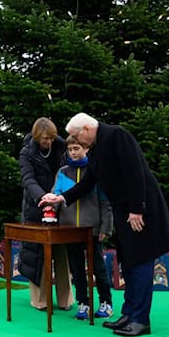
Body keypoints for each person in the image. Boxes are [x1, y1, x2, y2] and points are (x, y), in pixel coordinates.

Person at [42, 113, 169, 337]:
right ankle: (129, 313)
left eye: (75, 136)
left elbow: (135, 172)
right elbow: (87, 183)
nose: (74, 141)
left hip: (140, 212)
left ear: (86, 129)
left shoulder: (117, 135)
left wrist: (136, 209)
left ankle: (140, 320)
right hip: (126, 213)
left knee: (140, 262)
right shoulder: (96, 148)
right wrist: (61, 198)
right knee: (128, 261)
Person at [55, 135, 114, 320]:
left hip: (92, 229)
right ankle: (83, 303)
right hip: (69, 230)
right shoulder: (63, 172)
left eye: (77, 149)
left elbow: (105, 202)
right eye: (70, 149)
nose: (73, 153)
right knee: (77, 268)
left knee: (98, 267)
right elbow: (56, 194)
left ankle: (106, 302)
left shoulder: (95, 171)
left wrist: (106, 226)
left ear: (86, 149)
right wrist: (50, 207)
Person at [18, 117, 72, 310]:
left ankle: (66, 300)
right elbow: (28, 178)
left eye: (50, 138)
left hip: (60, 205)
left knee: (62, 253)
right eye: (43, 139)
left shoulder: (63, 148)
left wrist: (57, 196)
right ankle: (39, 300)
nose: (47, 142)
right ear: (36, 137)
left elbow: (67, 173)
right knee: (36, 253)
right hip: (35, 206)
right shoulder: (26, 152)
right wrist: (43, 197)